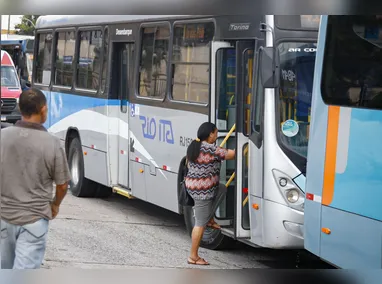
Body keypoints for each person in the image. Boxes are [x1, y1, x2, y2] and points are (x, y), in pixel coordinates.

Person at [0, 88, 71, 269]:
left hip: (3, 218)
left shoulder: (3, 137)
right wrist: (55, 205)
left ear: (20, 108)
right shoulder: (52, 143)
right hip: (34, 221)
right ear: (43, 109)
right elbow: (62, 185)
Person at [185, 122, 235, 265]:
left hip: (193, 186)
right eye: (216, 132)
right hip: (202, 192)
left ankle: (210, 218)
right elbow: (231, 155)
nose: (217, 135)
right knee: (200, 224)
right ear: (210, 134)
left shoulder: (194, 145)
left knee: (221, 189)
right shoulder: (211, 149)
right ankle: (193, 256)